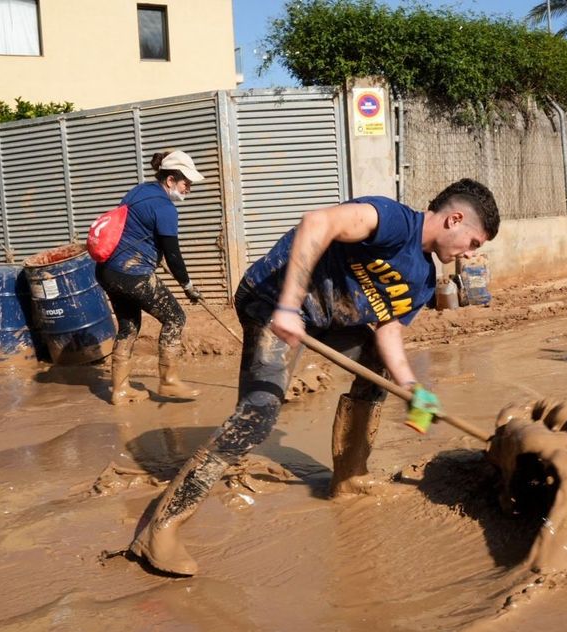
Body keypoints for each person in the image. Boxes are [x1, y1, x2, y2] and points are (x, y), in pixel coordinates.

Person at [129, 178, 501, 575]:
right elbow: (316, 223)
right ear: (454, 219)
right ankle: (160, 529)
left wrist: (409, 386)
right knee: (258, 415)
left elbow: (388, 328)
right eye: (474, 243)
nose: (469, 255)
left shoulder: (423, 280)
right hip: (273, 300)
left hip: (324, 321)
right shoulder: (393, 220)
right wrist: (289, 305)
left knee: (379, 368)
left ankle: (350, 477)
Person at [97, 149, 205, 404]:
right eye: (186, 182)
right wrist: (188, 286)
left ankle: (120, 391)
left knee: (128, 326)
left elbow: (136, 227)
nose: (189, 187)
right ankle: (169, 382)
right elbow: (174, 255)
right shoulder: (165, 208)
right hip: (131, 273)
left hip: (107, 271)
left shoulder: (141, 190)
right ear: (170, 180)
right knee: (176, 317)